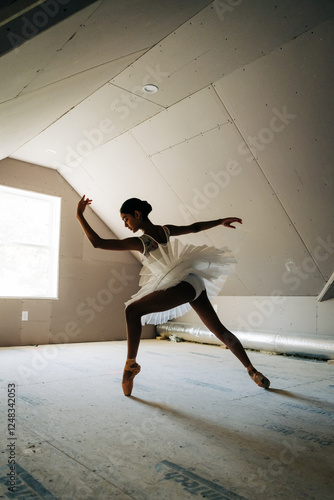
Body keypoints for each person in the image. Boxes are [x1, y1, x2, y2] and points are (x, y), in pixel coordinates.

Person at [77, 195, 270, 396]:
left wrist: (80, 216)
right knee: (219, 330)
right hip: (194, 281)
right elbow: (194, 227)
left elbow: (98, 243)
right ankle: (252, 371)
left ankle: (130, 366)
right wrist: (219, 221)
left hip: (181, 284)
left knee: (132, 310)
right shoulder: (164, 230)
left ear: (137, 214)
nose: (125, 225)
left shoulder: (141, 241)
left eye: (126, 219)